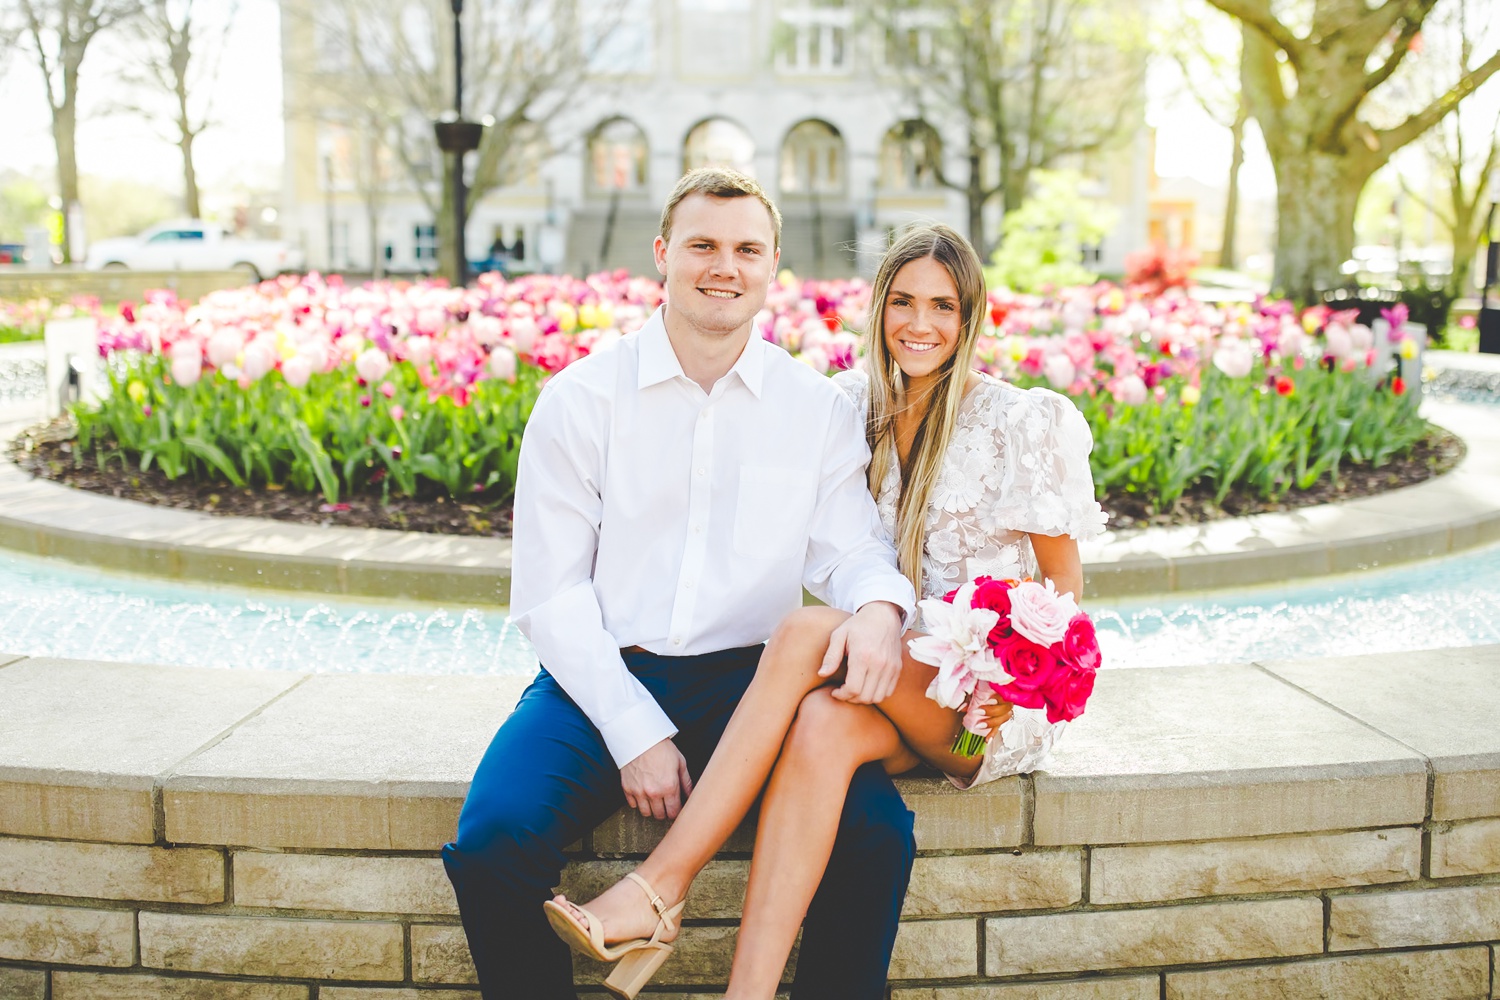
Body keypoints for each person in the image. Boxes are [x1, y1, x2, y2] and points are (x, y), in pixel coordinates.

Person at [546, 223, 1107, 998]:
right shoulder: (840, 406)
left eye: (943, 306)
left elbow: (1065, 605)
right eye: (903, 302)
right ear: (877, 308)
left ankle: (658, 886)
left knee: (808, 628)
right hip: (886, 677)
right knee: (818, 722)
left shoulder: (1024, 422)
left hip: (984, 709)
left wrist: (999, 687)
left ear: (971, 316)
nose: (921, 324)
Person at [441, 166, 920, 1000]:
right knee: (492, 844)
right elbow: (551, 598)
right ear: (662, 254)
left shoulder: (814, 409)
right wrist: (636, 730)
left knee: (876, 838)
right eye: (702, 245)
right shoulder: (580, 400)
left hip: (751, 684)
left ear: (775, 267)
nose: (722, 266)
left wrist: (880, 608)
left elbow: (850, 552)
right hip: (598, 677)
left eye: (746, 249)